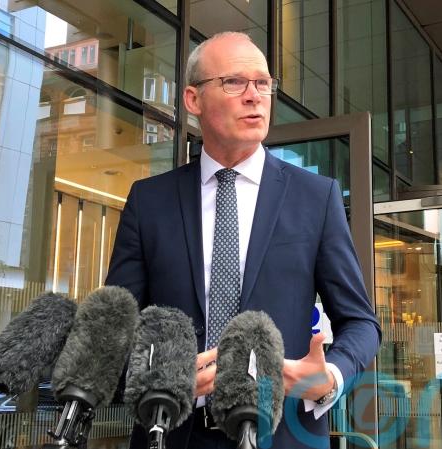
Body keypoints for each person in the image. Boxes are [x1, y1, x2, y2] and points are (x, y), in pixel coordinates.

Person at [106, 31, 380, 449]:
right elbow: (115, 330)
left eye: (263, 83)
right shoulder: (149, 201)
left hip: (283, 434)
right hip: (173, 433)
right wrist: (159, 378)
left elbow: (361, 323)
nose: (255, 96)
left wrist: (330, 376)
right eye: (234, 82)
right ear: (193, 99)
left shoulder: (316, 197)